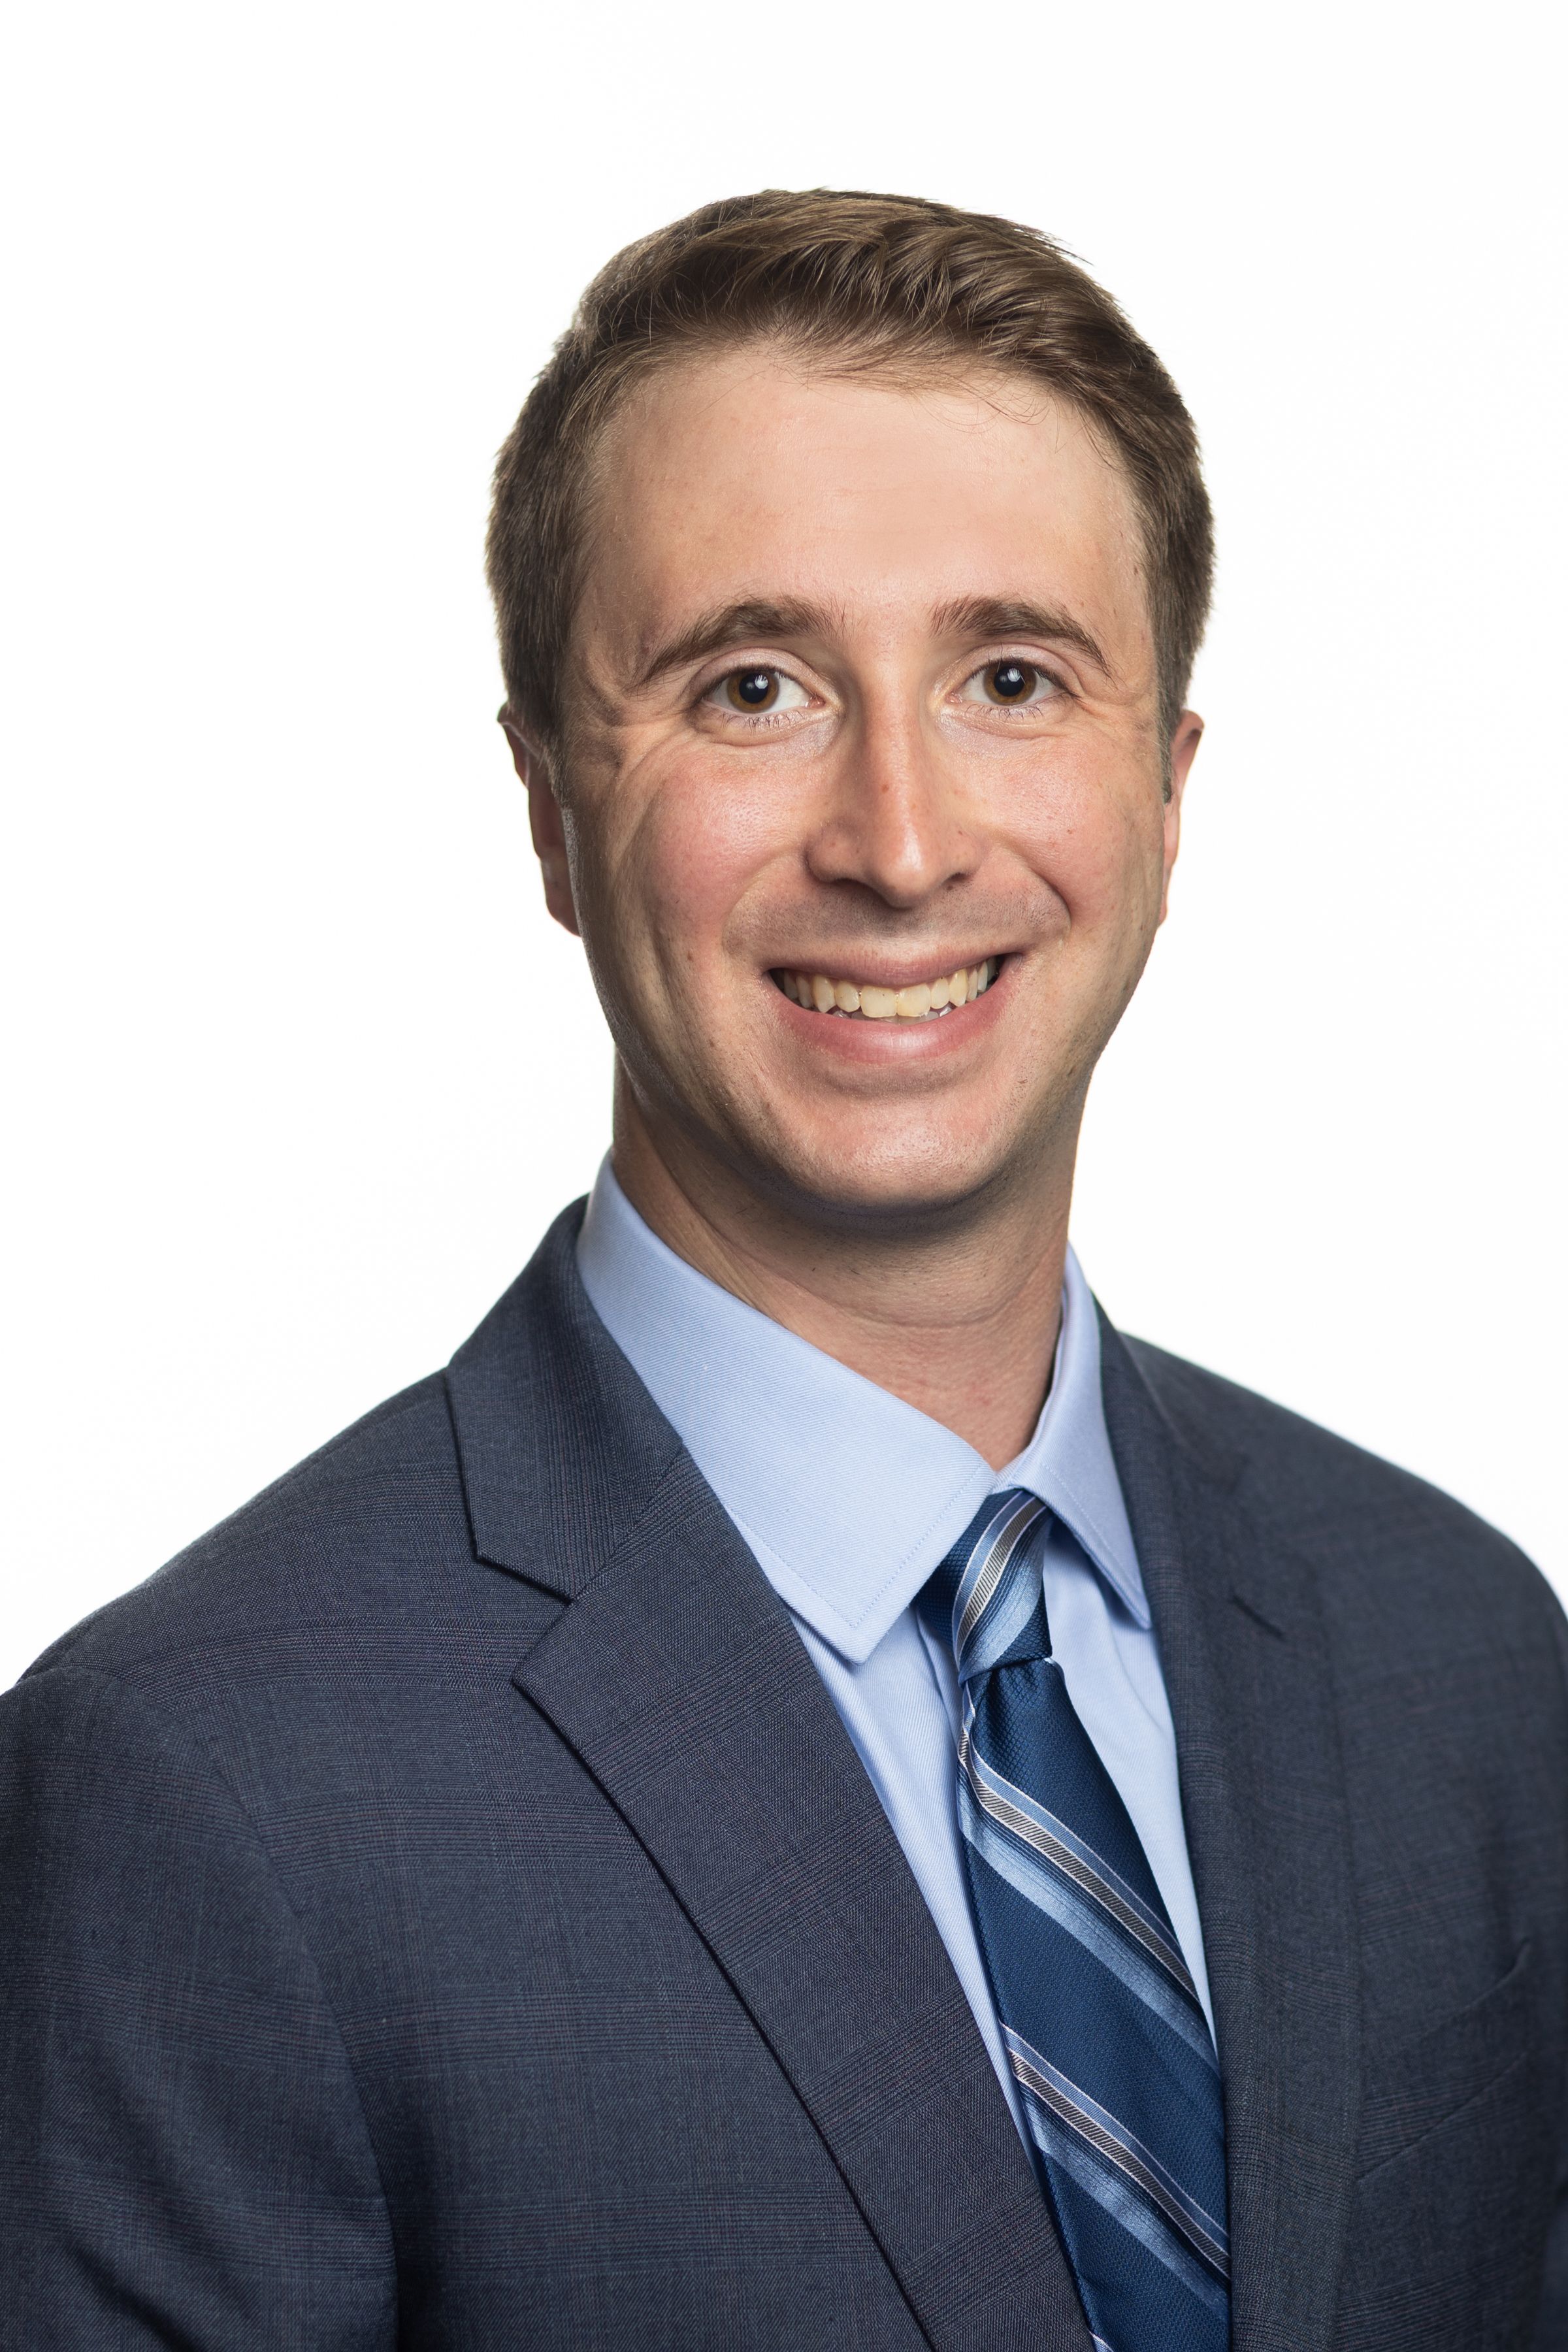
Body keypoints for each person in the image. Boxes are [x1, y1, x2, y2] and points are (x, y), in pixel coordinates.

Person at [1, 189, 1563, 2352]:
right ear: (551, 810)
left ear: (1167, 791)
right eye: (753, 688)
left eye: (1012, 679)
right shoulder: (200, 1791)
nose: (901, 842)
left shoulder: (1463, 1651)